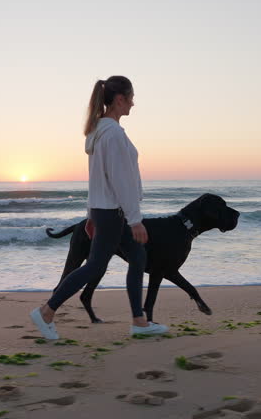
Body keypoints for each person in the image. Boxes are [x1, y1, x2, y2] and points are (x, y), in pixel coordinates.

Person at [29, 75, 169, 339]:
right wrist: (135, 219)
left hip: (104, 211)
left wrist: (90, 215)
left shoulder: (99, 131)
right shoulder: (112, 134)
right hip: (114, 213)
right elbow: (119, 181)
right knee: (95, 266)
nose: (133, 104)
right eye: (131, 98)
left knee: (138, 256)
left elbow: (96, 180)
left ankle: (139, 322)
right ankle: (47, 311)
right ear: (119, 100)